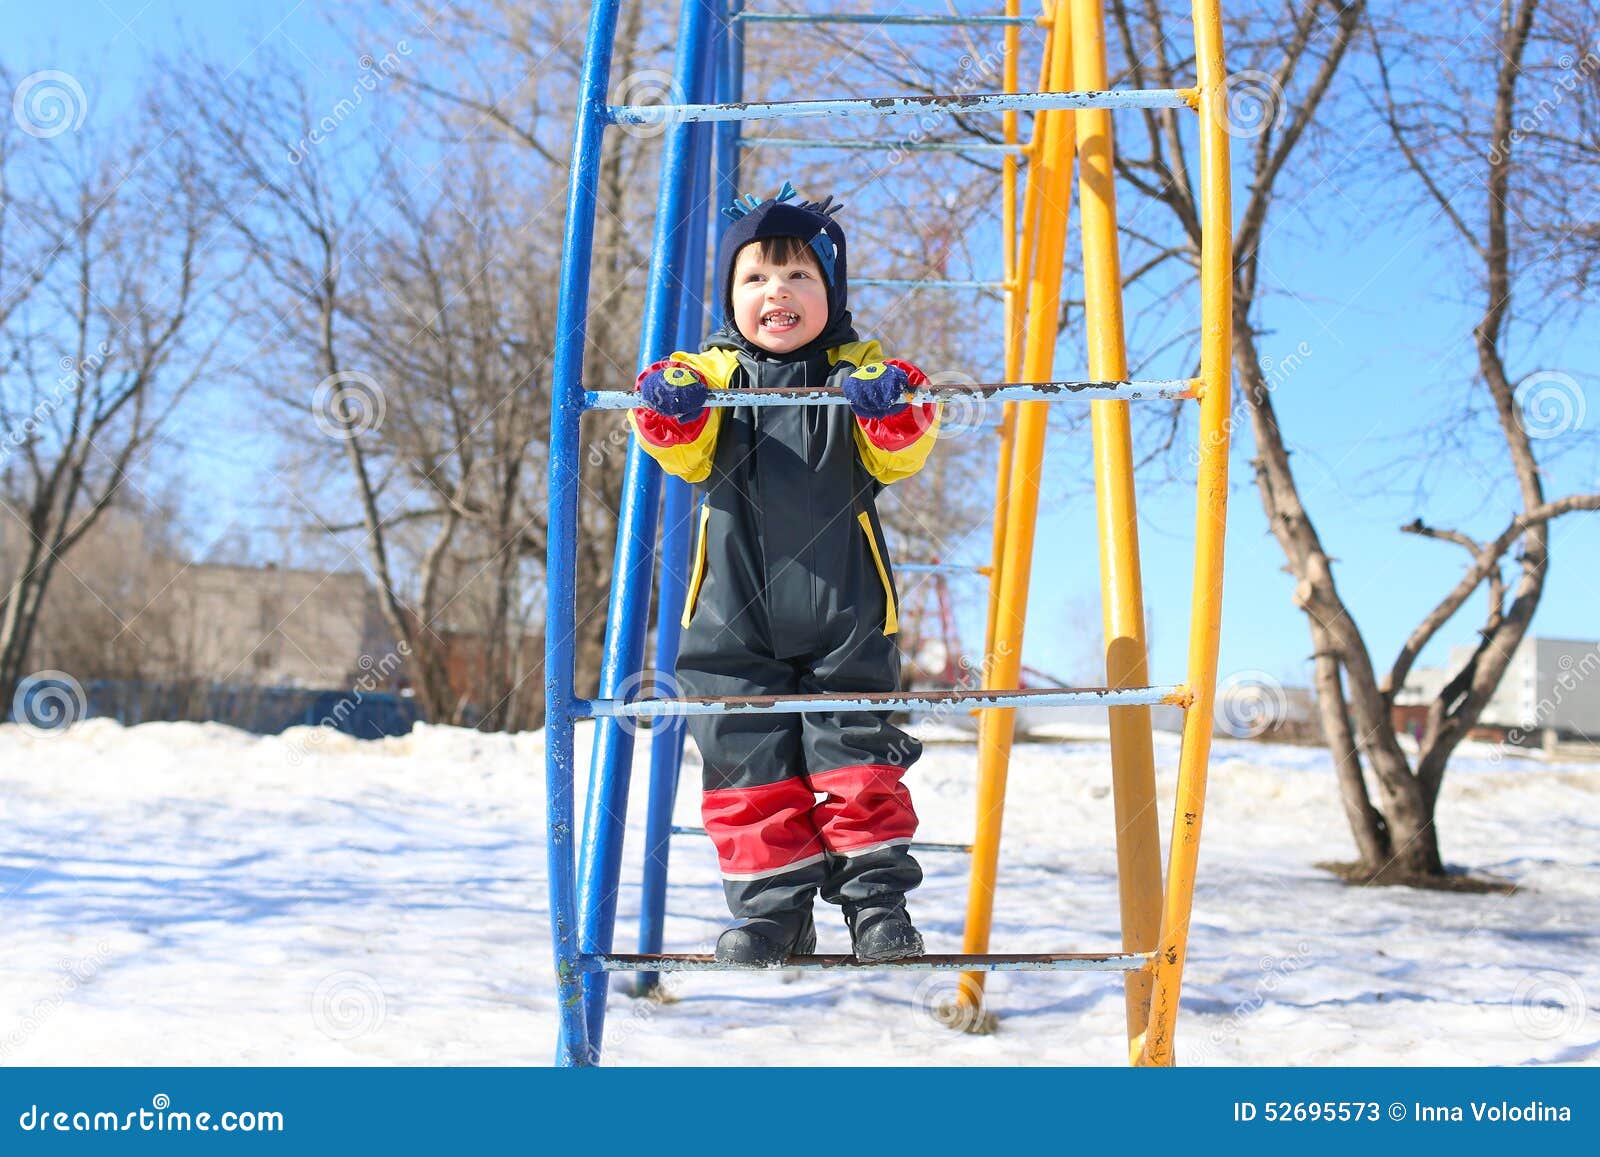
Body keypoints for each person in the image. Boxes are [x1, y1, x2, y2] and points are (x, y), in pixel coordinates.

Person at [628, 181, 942, 966]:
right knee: (744, 759)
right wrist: (667, 401)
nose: (779, 292)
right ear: (730, 299)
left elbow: (901, 451)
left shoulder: (859, 372)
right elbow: (677, 444)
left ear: (830, 296)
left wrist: (887, 404)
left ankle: (877, 907)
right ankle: (773, 915)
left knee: (857, 752)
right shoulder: (711, 375)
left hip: (845, 610)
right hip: (731, 617)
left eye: (801, 276)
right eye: (757, 277)